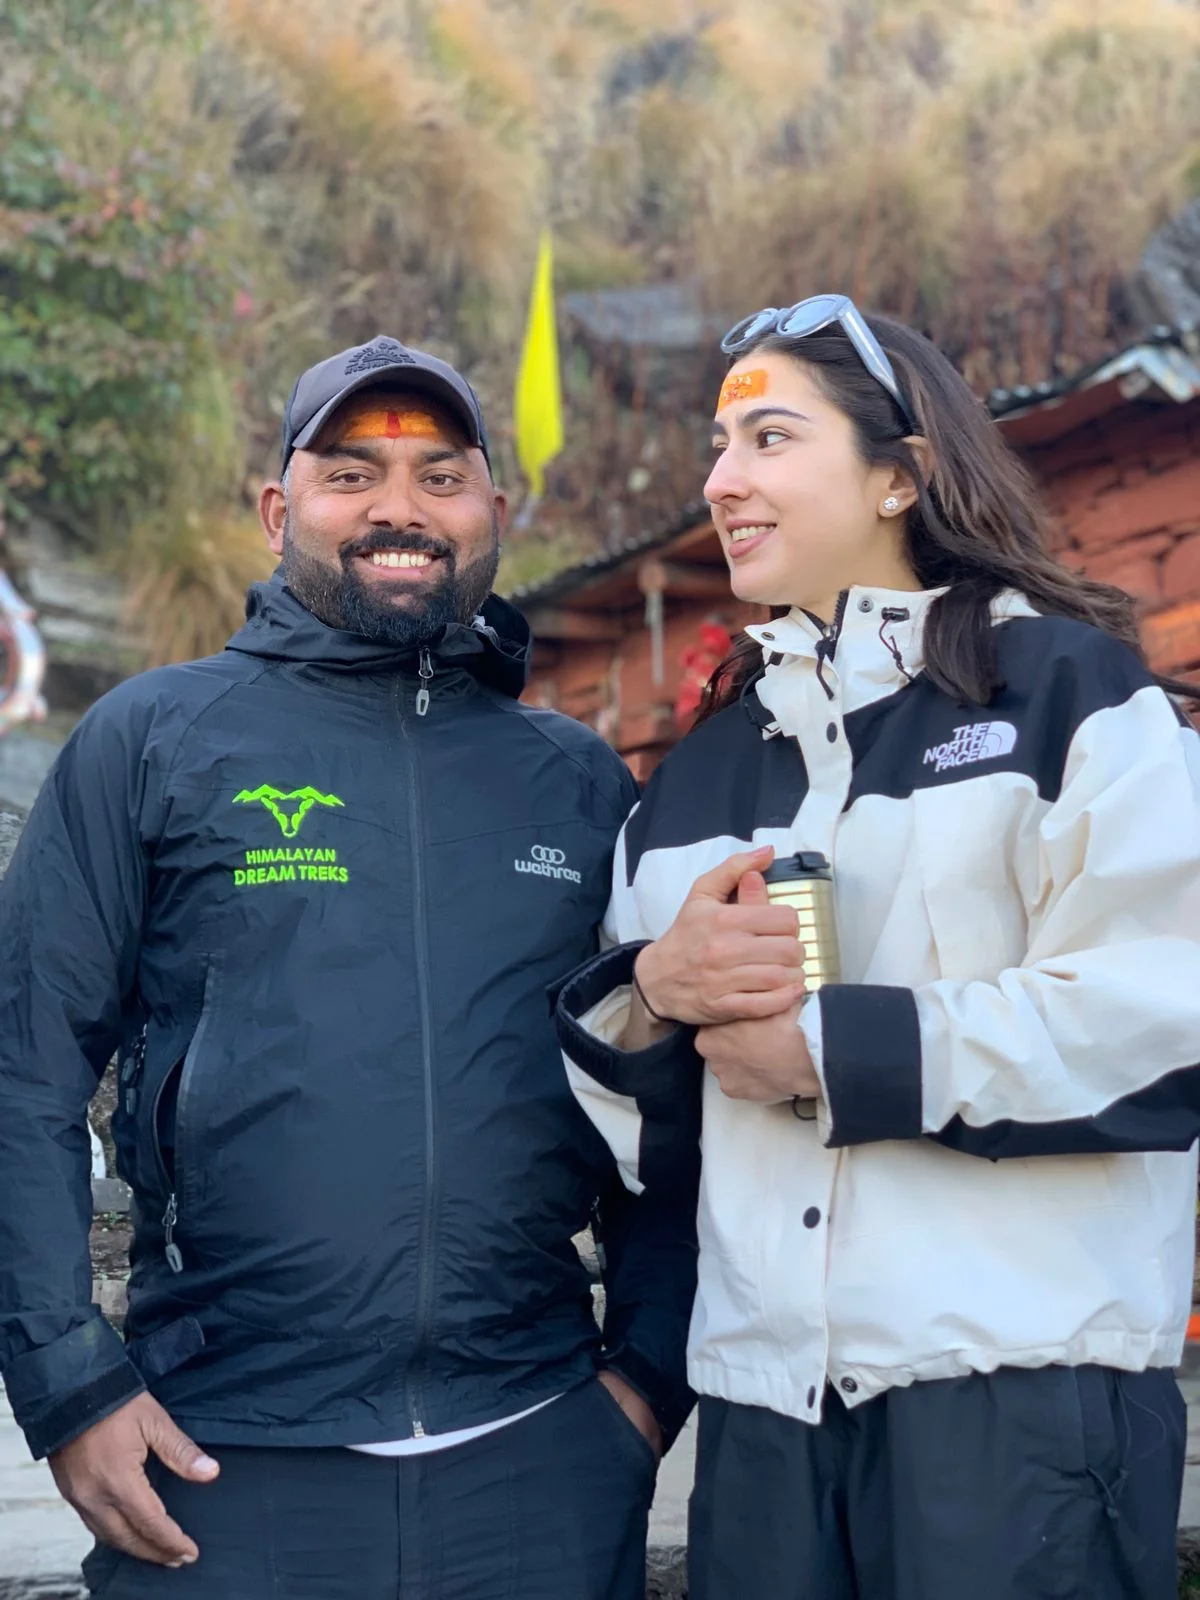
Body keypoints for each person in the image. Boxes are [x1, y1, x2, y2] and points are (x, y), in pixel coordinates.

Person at [0, 336, 696, 1599]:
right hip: (224, 1466)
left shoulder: (578, 781)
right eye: (350, 473)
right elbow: (21, 1073)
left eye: (440, 476)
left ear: (494, 508)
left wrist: (644, 1380)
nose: (398, 508)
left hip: (538, 1458)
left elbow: (666, 1094)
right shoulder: (152, 741)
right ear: (281, 509)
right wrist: (67, 1383)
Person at [556, 296, 1200, 1600]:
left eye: (769, 439)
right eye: (719, 447)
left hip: (1019, 1395)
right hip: (763, 1420)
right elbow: (633, 1155)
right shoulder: (695, 777)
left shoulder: (1075, 696)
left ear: (901, 473)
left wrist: (836, 1047)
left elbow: (1161, 1023)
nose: (721, 481)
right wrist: (650, 1000)